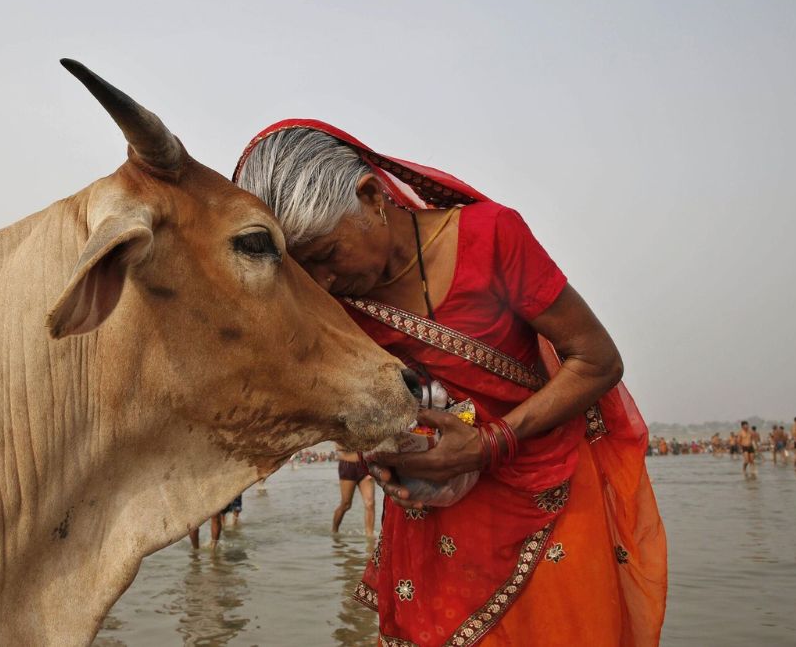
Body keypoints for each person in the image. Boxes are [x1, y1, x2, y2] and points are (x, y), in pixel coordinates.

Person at [234, 121, 667, 646]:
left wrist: (486, 446)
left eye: (327, 256)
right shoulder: (337, 306)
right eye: (308, 272)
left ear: (371, 197)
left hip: (545, 491)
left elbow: (597, 361)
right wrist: (383, 455)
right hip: (431, 517)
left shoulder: (492, 238)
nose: (323, 283)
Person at [334, 442, 378, 537]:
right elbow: (339, 447)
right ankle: (334, 531)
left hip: (366, 466)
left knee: (370, 503)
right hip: (347, 466)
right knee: (346, 504)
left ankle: (370, 538)